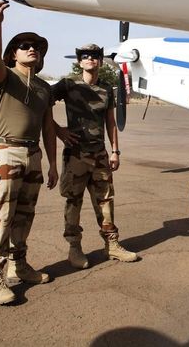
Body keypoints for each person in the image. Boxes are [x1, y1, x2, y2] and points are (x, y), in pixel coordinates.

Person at [0, 0, 59, 305]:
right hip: (6, 152)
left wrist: (53, 164)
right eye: (25, 46)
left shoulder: (44, 88)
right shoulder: (5, 77)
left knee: (25, 215)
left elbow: (49, 127)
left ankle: (20, 264)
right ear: (13, 53)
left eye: (37, 48)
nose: (32, 50)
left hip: (33, 154)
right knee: (2, 214)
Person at [51, 43, 138, 269]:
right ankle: (74, 248)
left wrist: (115, 151)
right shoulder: (68, 85)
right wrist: (58, 130)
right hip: (76, 155)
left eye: (95, 56)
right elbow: (41, 105)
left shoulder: (107, 89)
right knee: (74, 201)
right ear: (79, 61)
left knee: (105, 201)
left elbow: (110, 122)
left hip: (100, 154)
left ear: (100, 61)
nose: (91, 59)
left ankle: (112, 245)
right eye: (86, 56)